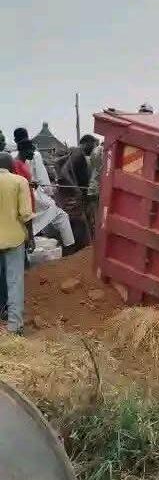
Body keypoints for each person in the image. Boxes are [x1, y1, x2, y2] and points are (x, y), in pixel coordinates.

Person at [16, 139, 75, 252]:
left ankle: (68, 246)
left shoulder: (19, 162)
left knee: (58, 215)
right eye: (31, 149)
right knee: (56, 212)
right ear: (24, 150)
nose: (33, 152)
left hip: (31, 195)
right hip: (31, 198)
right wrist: (50, 193)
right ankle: (69, 247)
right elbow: (41, 180)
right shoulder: (30, 159)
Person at [0, 152, 34, 335]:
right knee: (15, 282)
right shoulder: (20, 181)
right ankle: (15, 326)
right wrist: (31, 237)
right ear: (11, 166)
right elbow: (26, 214)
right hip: (14, 238)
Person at [56, 134, 99, 252]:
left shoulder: (77, 154)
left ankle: (77, 248)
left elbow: (61, 166)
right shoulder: (77, 153)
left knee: (80, 223)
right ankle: (78, 250)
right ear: (86, 143)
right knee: (80, 223)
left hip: (75, 196)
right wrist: (76, 189)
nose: (94, 149)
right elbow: (64, 172)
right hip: (74, 197)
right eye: (93, 146)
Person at [13, 127, 52, 193]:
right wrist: (48, 191)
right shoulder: (36, 155)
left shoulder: (12, 157)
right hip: (33, 192)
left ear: (15, 140)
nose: (32, 153)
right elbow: (42, 177)